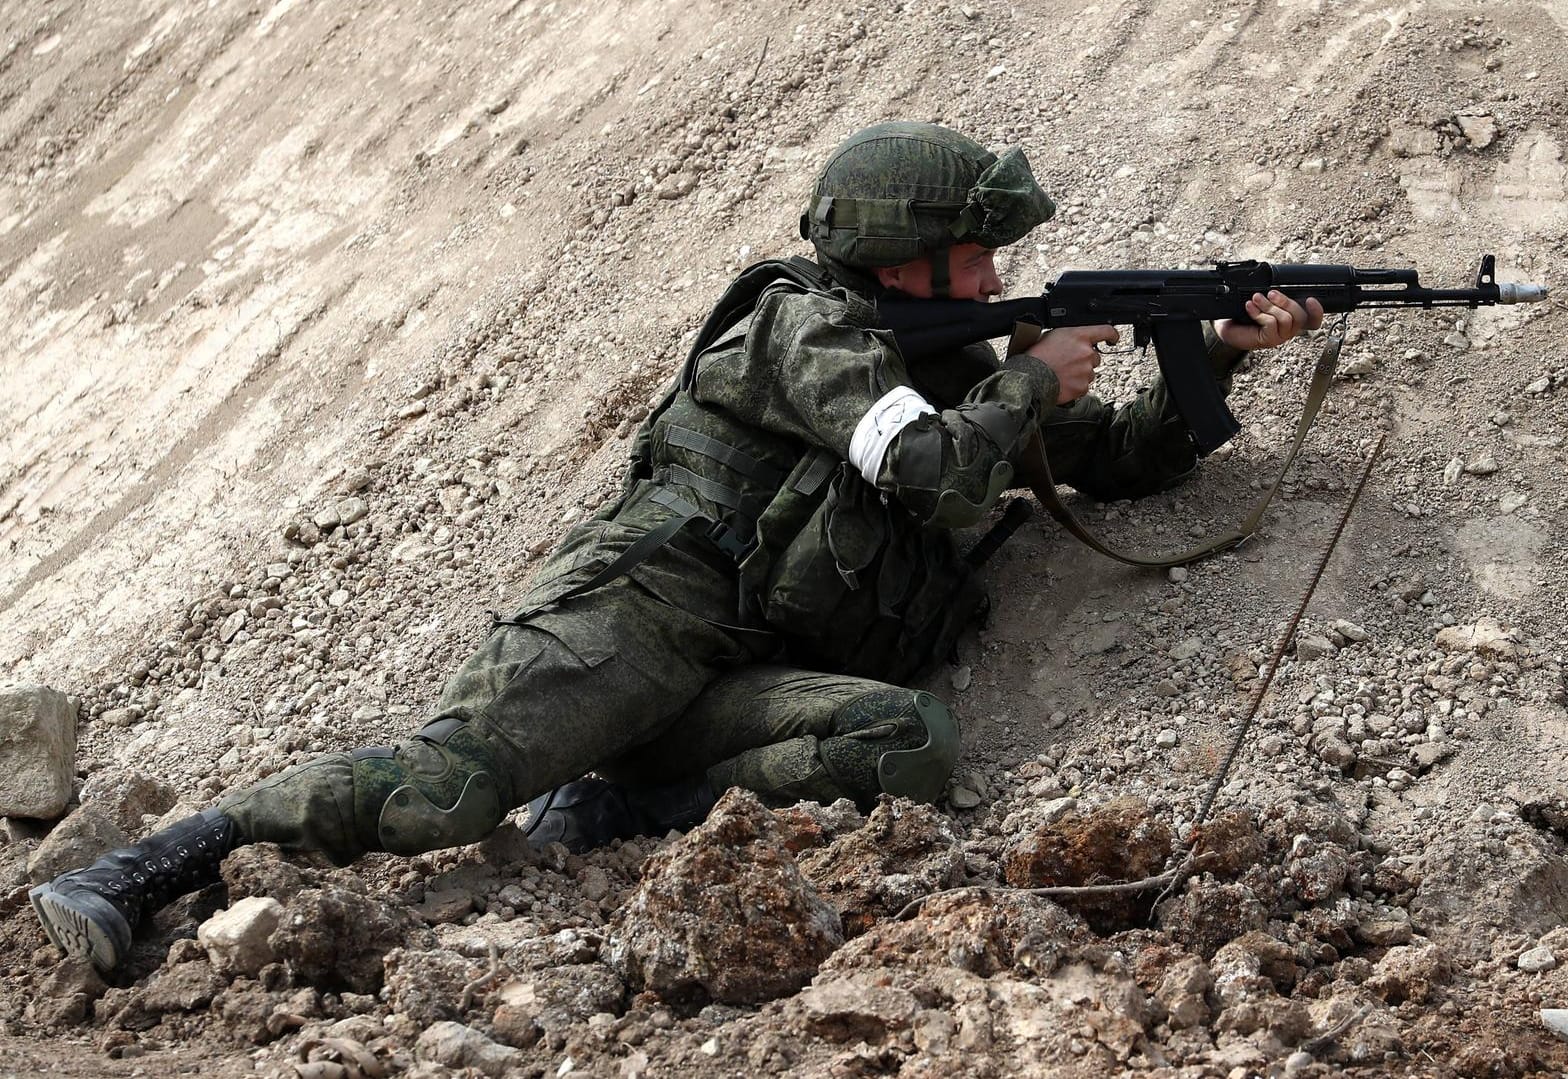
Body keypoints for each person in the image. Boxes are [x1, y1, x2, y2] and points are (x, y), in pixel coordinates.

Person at [31, 121, 1324, 973]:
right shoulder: (799, 326)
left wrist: (1212, 352)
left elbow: (1117, 461)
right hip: (637, 614)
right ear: (906, 253)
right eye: (976, 255)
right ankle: (142, 869)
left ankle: (619, 805)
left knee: (903, 745)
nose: (993, 282)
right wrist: (1036, 379)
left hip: (731, 665)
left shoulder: (958, 370)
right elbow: (922, 464)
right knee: (442, 795)